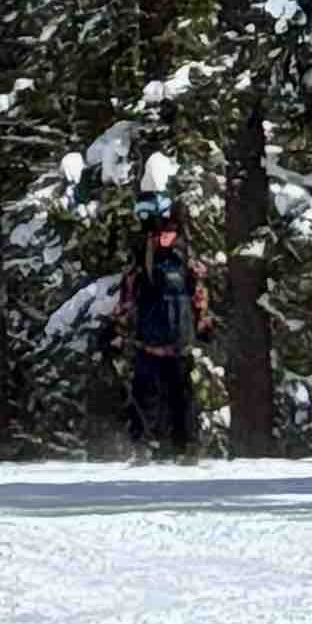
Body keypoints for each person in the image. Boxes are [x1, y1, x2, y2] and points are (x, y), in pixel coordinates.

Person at [113, 193, 205, 457]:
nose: (166, 235)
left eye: (170, 230)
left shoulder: (185, 258)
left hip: (179, 340)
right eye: (161, 230)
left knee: (181, 397)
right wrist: (120, 325)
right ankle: (142, 445)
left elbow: (198, 293)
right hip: (149, 340)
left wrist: (202, 321)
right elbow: (127, 294)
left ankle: (186, 447)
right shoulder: (144, 259)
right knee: (145, 395)